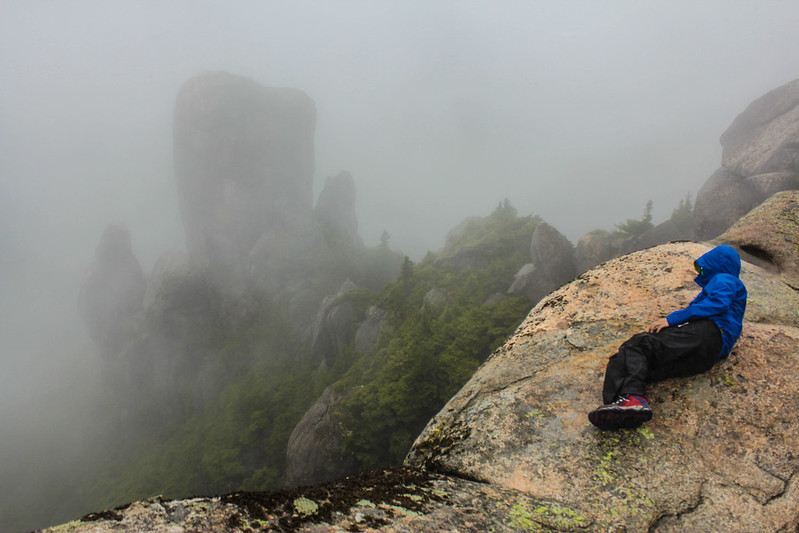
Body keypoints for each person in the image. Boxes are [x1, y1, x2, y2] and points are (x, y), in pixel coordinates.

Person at [588, 244, 747, 431]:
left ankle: (631, 398)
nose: (701, 272)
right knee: (624, 361)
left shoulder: (725, 278)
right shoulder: (724, 281)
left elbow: (718, 304)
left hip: (710, 333)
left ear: (718, 264)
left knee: (639, 344)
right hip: (706, 356)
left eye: (703, 267)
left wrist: (671, 320)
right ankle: (622, 407)